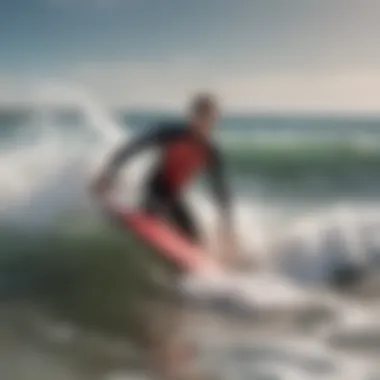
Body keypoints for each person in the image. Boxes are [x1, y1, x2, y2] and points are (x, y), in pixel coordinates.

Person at [91, 93, 237, 379]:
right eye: (198, 116)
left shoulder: (210, 151)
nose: (202, 122)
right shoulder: (171, 133)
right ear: (191, 116)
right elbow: (133, 148)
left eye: (208, 118)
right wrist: (109, 172)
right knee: (156, 210)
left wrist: (227, 226)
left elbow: (221, 190)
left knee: (195, 240)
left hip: (175, 197)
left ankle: (185, 287)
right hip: (155, 190)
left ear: (214, 121)